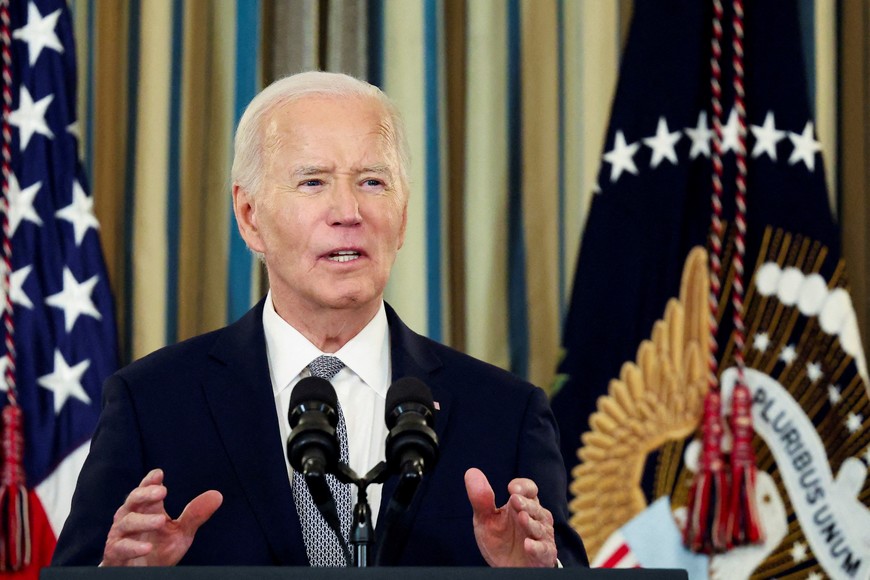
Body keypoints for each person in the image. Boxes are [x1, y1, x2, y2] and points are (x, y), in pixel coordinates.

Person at [51, 71, 588, 568]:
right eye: (313, 182)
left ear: (401, 218)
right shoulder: (153, 405)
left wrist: (534, 578)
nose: (348, 211)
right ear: (250, 216)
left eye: (372, 182)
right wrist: (115, 579)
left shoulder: (505, 414)